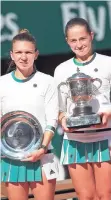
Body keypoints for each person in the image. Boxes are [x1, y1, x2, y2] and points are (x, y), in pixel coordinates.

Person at [54, 18, 111, 200]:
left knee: (105, 195)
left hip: (105, 136)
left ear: (91, 36)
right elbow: (59, 108)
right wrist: (63, 120)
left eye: (83, 39)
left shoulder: (108, 63)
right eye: (73, 40)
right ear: (67, 41)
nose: (79, 44)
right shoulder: (61, 70)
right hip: (74, 140)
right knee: (85, 196)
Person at [0, 29, 59, 200]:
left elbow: (52, 119)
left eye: (28, 52)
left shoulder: (47, 81)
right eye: (18, 52)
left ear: (36, 54)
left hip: (42, 156)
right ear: (11, 55)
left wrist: (42, 148)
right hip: (11, 158)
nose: (23, 57)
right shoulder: (2, 83)